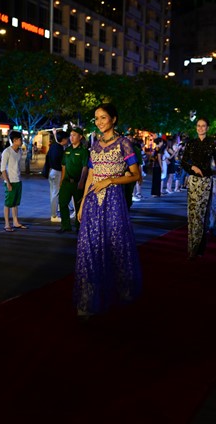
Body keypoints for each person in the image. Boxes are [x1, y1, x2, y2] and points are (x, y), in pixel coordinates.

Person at [75, 103, 142, 318]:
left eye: (103, 117)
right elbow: (91, 178)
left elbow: (135, 175)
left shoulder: (124, 144)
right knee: (90, 246)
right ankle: (89, 298)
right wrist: (83, 203)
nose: (99, 122)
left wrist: (111, 180)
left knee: (115, 244)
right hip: (93, 202)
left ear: (114, 119)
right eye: (96, 118)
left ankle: (121, 290)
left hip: (114, 200)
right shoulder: (94, 146)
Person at [180, 118, 216, 260]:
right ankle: (191, 247)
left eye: (203, 126)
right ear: (196, 128)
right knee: (193, 214)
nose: (200, 128)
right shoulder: (191, 143)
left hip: (207, 182)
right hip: (193, 182)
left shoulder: (211, 144)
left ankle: (199, 248)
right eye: (198, 126)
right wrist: (192, 168)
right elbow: (183, 162)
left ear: (207, 128)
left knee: (203, 215)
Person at [58, 127, 89, 233]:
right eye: (70, 135)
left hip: (78, 183)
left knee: (79, 205)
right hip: (67, 182)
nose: (71, 137)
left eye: (74, 135)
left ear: (80, 137)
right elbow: (63, 167)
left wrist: (81, 181)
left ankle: (79, 226)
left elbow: (85, 167)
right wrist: (61, 181)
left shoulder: (84, 151)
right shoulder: (67, 150)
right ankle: (65, 226)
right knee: (62, 203)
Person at [1, 130, 27, 232]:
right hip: (10, 181)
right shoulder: (7, 152)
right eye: (20, 139)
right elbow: (2, 169)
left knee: (15, 203)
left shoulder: (19, 151)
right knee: (8, 203)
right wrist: (7, 182)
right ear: (15, 140)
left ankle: (15, 222)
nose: (22, 140)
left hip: (18, 180)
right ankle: (7, 224)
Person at [46, 130, 68, 223]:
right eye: (67, 138)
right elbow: (62, 164)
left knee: (53, 193)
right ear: (63, 139)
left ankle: (55, 212)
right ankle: (54, 215)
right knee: (55, 194)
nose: (68, 140)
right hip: (57, 172)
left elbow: (47, 158)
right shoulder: (60, 149)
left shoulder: (54, 146)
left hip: (51, 171)